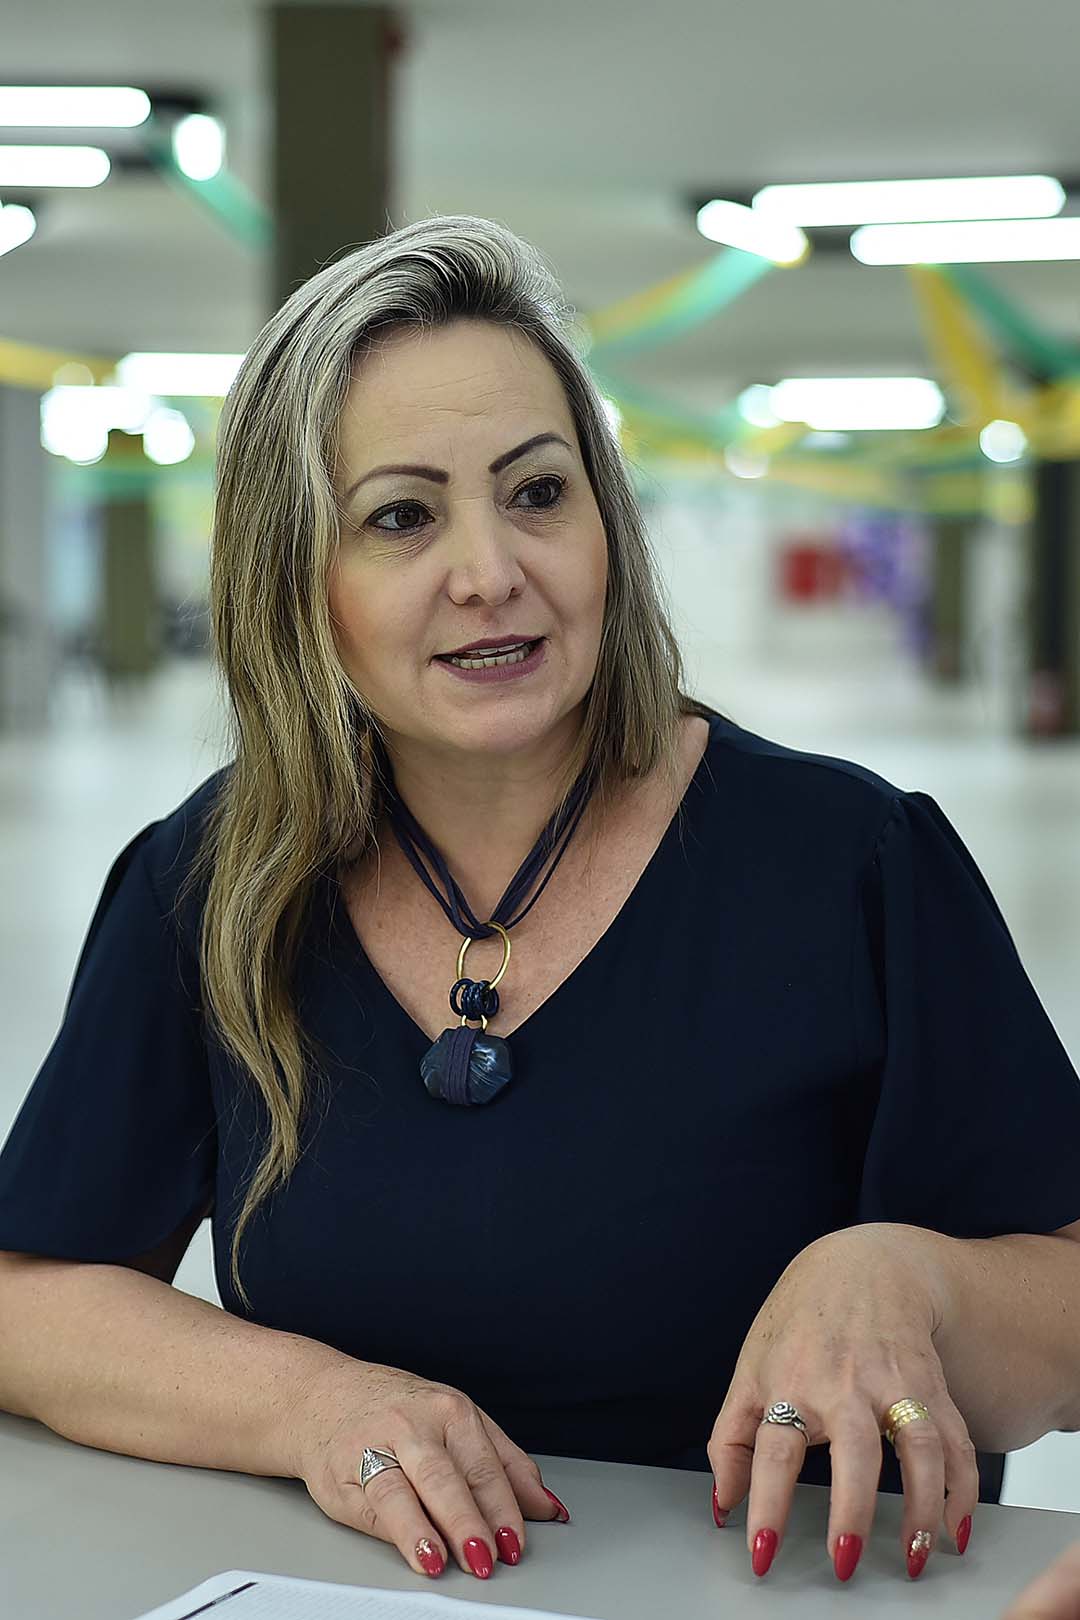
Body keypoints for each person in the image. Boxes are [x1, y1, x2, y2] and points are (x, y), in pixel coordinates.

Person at [1, 215, 1079, 1596]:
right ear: (295, 576)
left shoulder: (851, 862)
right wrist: (315, 1407)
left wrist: (913, 1280)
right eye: (401, 516)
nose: (490, 572)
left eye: (537, 492)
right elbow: (29, 1303)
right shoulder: (214, 884)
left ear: (603, 522)